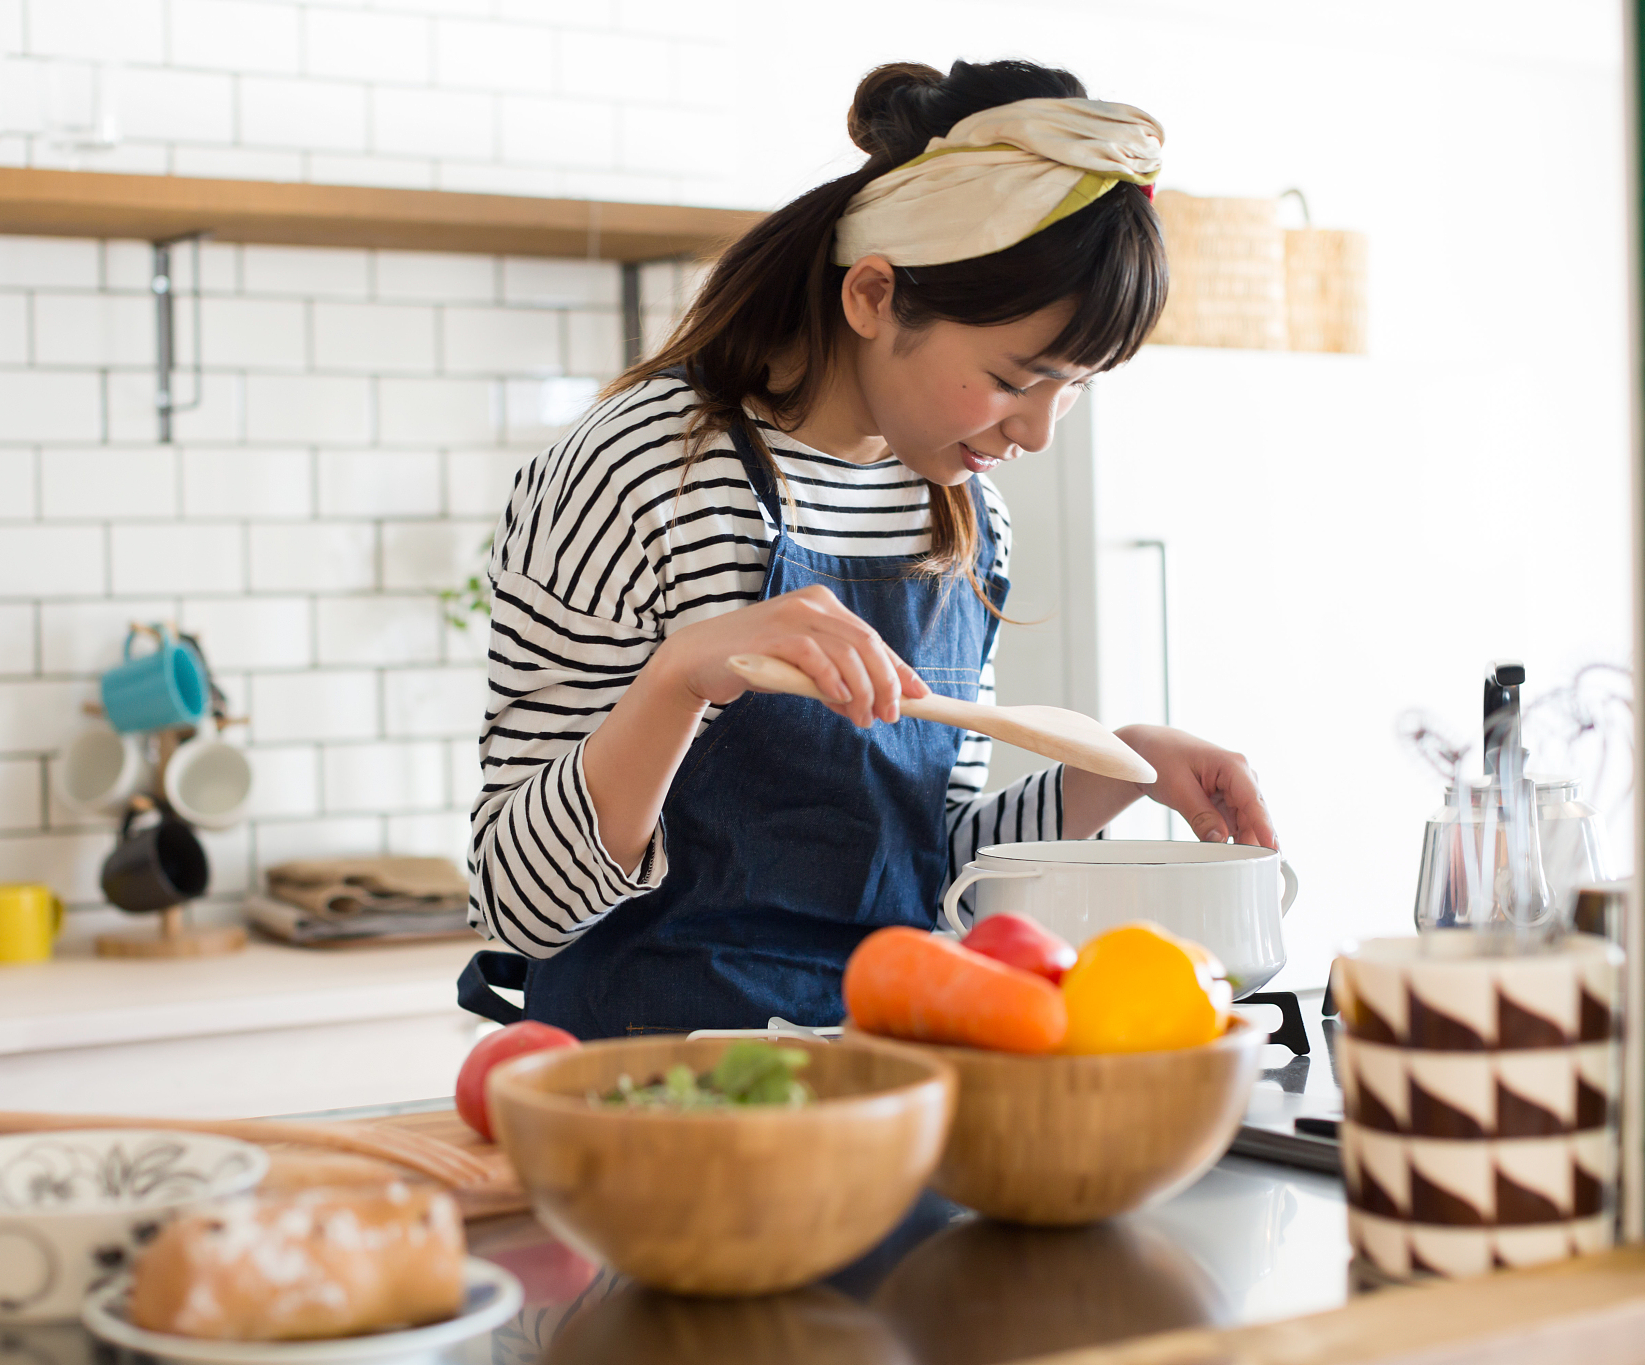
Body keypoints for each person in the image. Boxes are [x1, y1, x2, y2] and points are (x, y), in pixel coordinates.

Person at [458, 58, 1278, 1039]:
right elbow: (516, 901)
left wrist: (1107, 773)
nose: (1036, 435)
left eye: (1075, 387)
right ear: (873, 296)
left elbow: (924, 869)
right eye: (1016, 378)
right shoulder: (641, 475)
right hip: (657, 1106)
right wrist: (680, 675)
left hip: (892, 1079)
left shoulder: (959, 514)